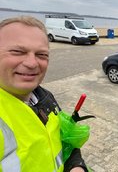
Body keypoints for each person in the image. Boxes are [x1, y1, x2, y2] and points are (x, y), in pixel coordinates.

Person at [0, 16, 88, 172]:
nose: (32, 63)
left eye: (41, 55)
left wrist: (76, 165)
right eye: (17, 52)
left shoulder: (45, 97)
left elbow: (64, 142)